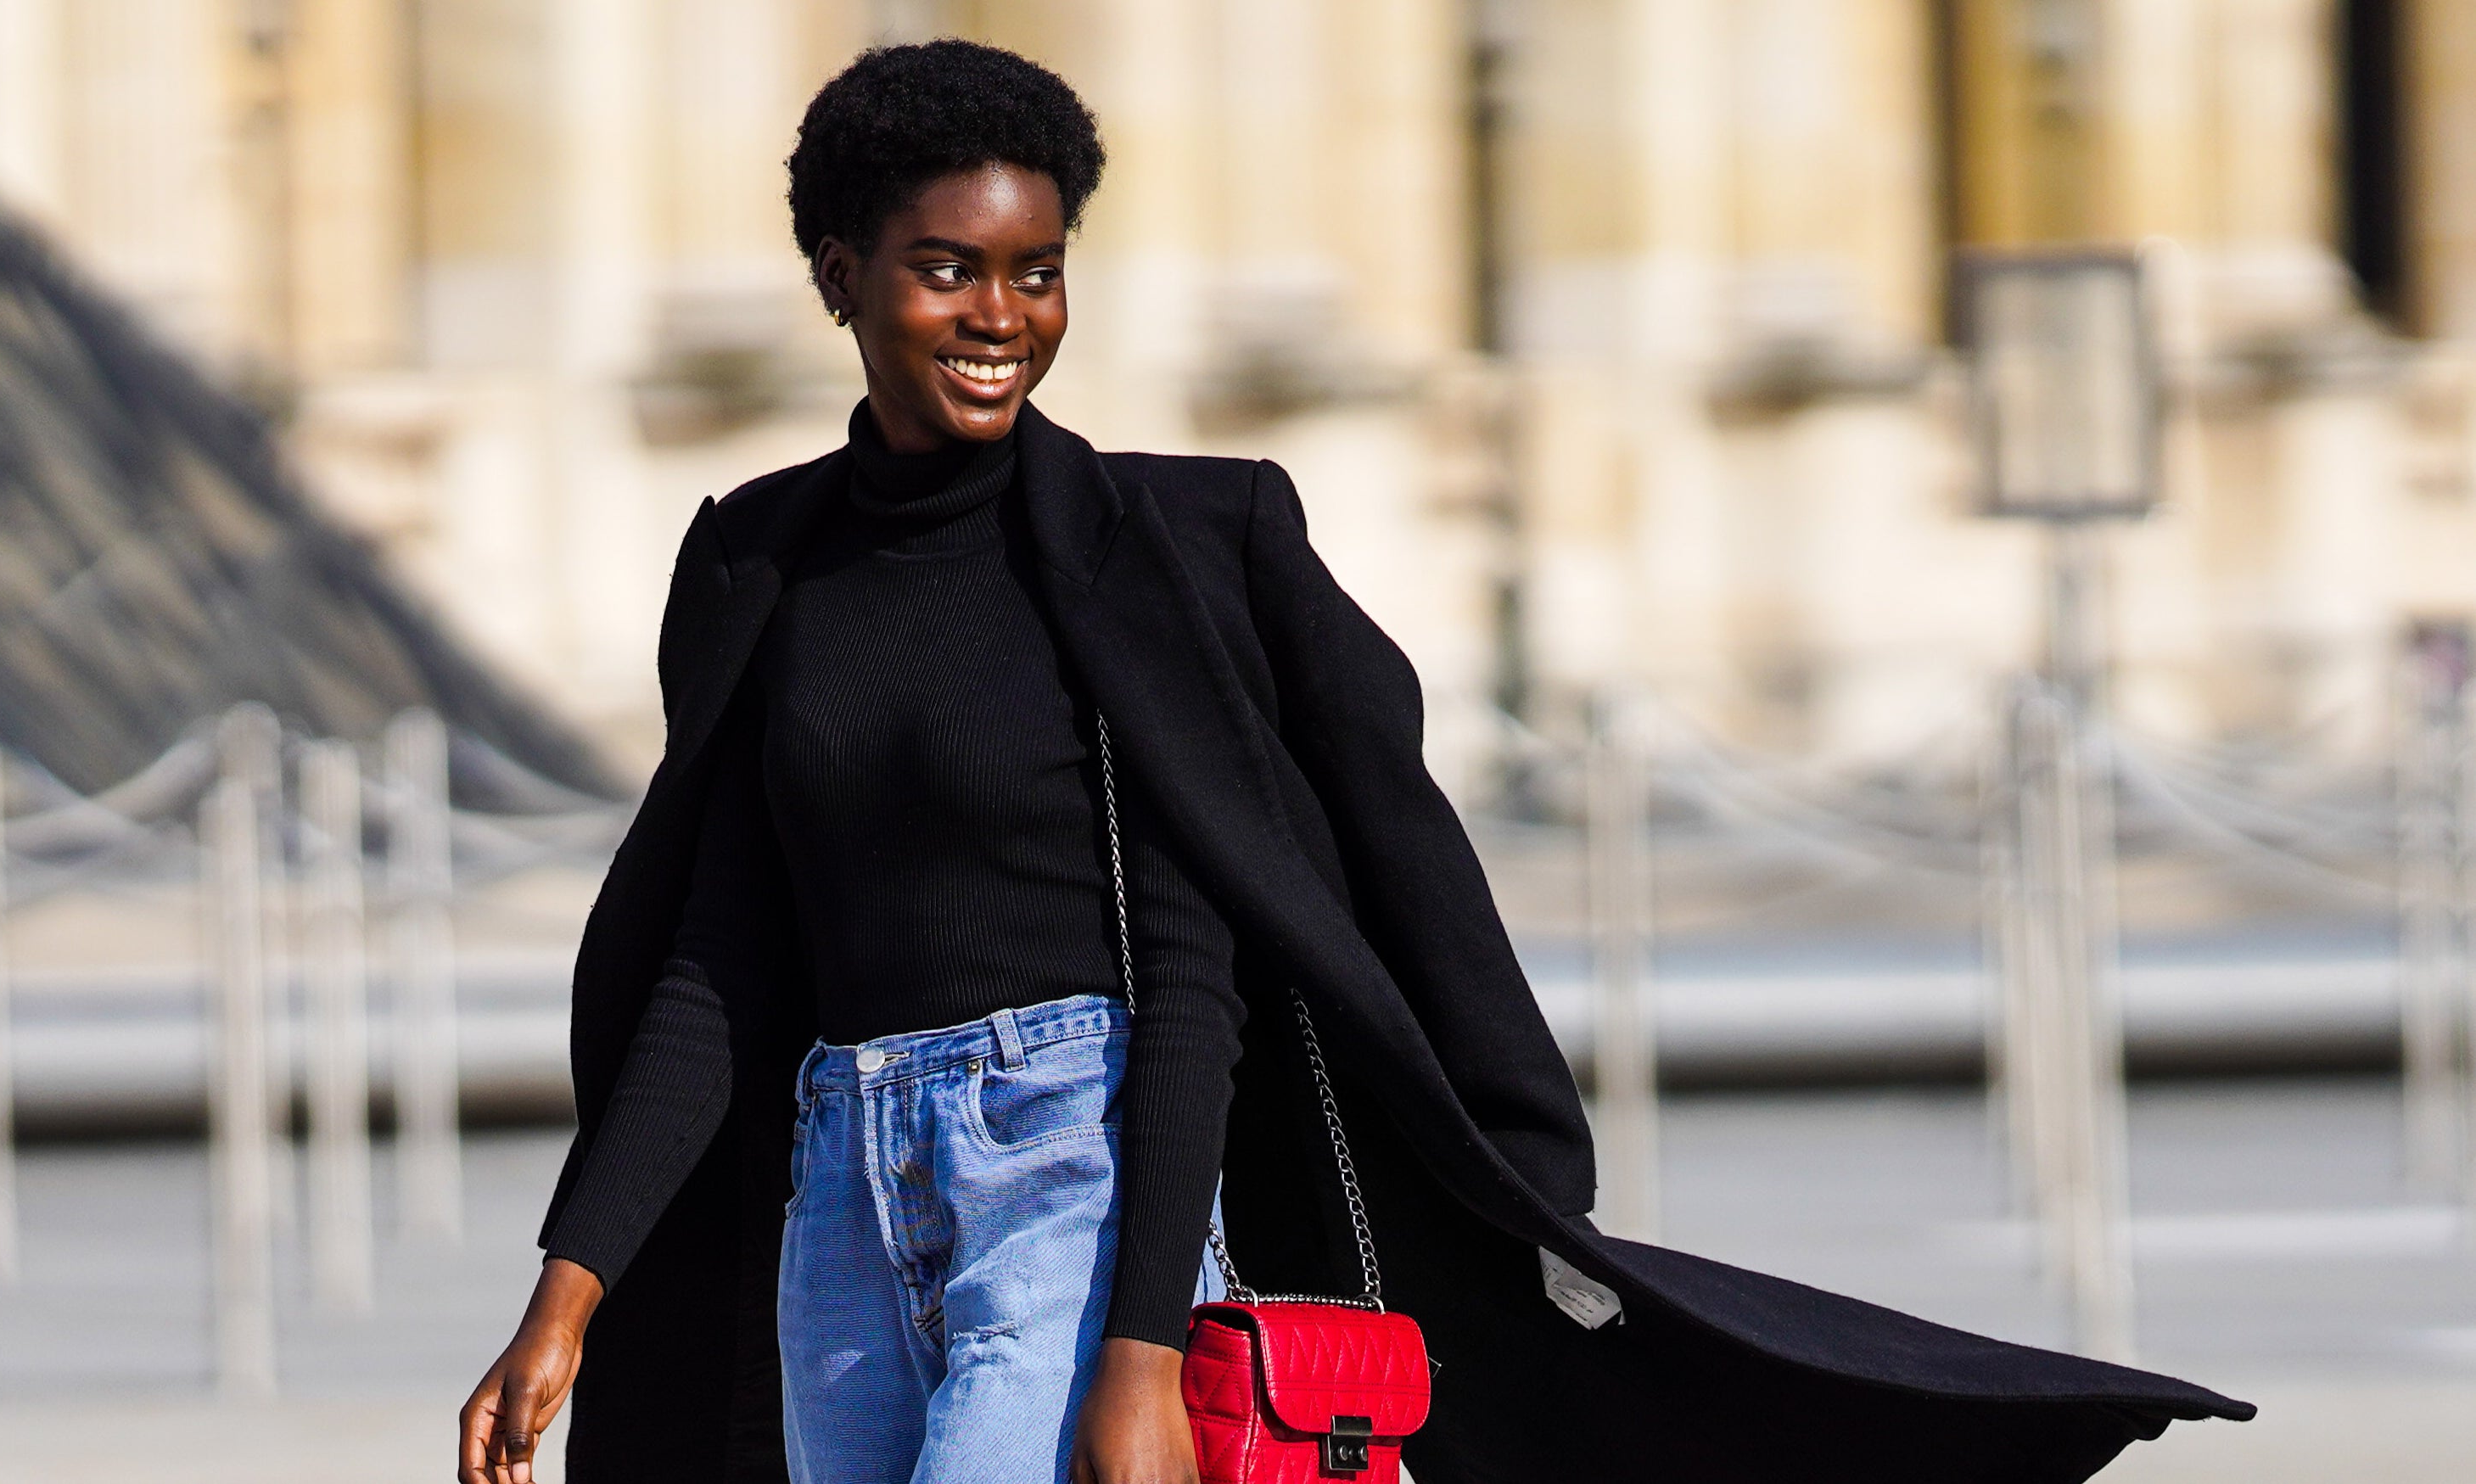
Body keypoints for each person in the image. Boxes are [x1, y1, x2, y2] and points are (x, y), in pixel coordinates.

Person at [460, 38, 2249, 1484]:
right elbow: (720, 952)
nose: (999, 314)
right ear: (841, 275)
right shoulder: (757, 559)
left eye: (1036, 270)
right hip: (842, 1180)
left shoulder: (1172, 547)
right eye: (945, 270)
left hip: (1067, 1169)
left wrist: (1143, 1349)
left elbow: (1194, 978)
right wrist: (572, 1287)